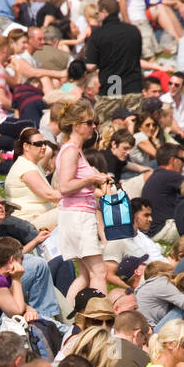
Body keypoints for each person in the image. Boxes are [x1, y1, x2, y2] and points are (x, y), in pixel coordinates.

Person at [54, 98, 106, 302]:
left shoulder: (72, 150)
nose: (93, 127)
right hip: (78, 216)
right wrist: (92, 178)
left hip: (75, 214)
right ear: (76, 126)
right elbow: (64, 186)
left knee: (85, 275)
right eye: (89, 123)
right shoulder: (71, 151)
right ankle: (100, 316)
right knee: (99, 273)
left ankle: (69, 315)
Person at [83, 0, 143, 96]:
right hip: (134, 88)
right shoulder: (134, 31)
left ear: (104, 12)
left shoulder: (98, 34)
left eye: (99, 13)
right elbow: (138, 55)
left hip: (111, 89)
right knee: (133, 112)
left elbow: (90, 66)